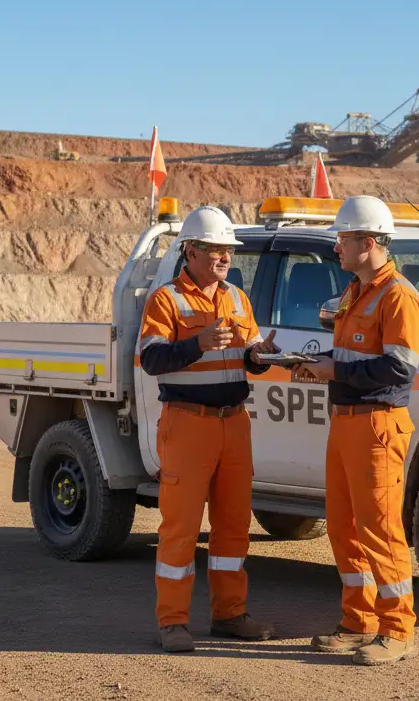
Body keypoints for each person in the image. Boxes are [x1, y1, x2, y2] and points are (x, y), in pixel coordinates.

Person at [138, 205, 281, 653]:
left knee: (233, 526)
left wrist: (262, 356)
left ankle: (229, 615)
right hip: (187, 425)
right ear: (191, 251)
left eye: (228, 251)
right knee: (180, 528)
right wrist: (196, 343)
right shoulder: (166, 300)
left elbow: (249, 356)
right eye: (216, 250)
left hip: (234, 425)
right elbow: (151, 359)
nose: (225, 258)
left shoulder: (237, 298)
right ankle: (173, 622)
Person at [293, 195, 419, 666]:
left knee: (381, 530)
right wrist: (321, 366)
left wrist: (337, 373)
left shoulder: (398, 296)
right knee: (345, 528)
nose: (337, 249)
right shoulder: (356, 291)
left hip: (377, 426)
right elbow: (355, 358)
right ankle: (359, 621)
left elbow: (398, 371)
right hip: (346, 423)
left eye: (343, 240)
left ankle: (397, 629)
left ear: (368, 243)